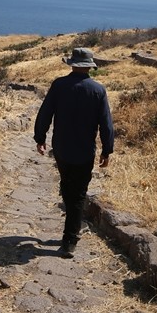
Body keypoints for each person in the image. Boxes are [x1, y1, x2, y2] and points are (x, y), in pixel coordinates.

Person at [33, 47, 114, 258]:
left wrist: (40, 137)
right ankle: (70, 241)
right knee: (78, 194)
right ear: (89, 66)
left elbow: (45, 113)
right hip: (85, 151)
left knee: (68, 186)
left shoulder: (59, 85)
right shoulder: (98, 91)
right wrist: (107, 150)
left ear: (71, 64)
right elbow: (106, 124)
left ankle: (70, 232)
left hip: (61, 148)